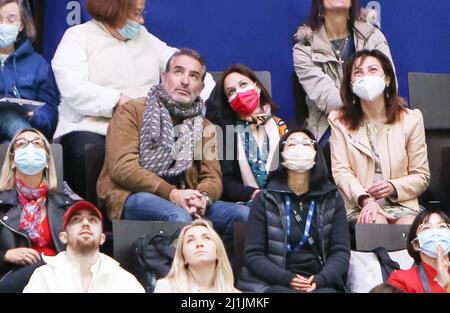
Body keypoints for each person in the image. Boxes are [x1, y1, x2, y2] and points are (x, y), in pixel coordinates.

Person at [51, 0, 214, 198]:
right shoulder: (78, 37)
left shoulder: (143, 37)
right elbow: (72, 86)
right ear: (114, 11)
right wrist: (117, 100)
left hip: (143, 130)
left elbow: (182, 62)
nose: (142, 21)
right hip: (93, 128)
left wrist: (206, 95)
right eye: (136, 14)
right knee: (94, 153)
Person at [97, 49, 249, 255]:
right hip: (132, 195)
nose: (185, 81)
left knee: (244, 215)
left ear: (201, 87)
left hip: (188, 197)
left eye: (193, 76)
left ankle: (224, 280)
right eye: (178, 72)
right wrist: (171, 193)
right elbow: (122, 167)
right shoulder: (132, 111)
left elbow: (213, 177)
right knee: (178, 218)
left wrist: (202, 197)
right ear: (164, 77)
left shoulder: (205, 127)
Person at [238, 129, 350, 293]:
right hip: (276, 282)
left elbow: (340, 252)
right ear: (281, 155)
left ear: (316, 154)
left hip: (319, 281)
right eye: (292, 143)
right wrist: (287, 279)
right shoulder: (265, 199)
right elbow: (254, 255)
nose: (300, 147)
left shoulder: (332, 198)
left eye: (306, 143)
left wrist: (321, 279)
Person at [329, 49, 430, 226]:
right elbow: (341, 172)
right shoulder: (338, 121)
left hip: (403, 204)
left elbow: (421, 176)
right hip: (359, 205)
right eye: (358, 72)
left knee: (409, 226)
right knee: (375, 222)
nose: (365, 76)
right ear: (351, 84)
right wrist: (366, 200)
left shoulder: (411, 119)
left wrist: (393, 186)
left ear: (387, 78)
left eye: (373, 70)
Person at [293, 0, 394, 144]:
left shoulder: (373, 36)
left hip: (378, 118)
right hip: (330, 125)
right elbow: (329, 98)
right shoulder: (304, 49)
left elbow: (388, 82)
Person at [0, 128, 74, 293]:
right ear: (12, 161)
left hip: (59, 280)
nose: (30, 148)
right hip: (13, 278)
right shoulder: (1, 204)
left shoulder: (65, 205)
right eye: (22, 144)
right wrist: (6, 255)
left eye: (37, 144)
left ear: (47, 160)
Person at [205, 64, 288, 203]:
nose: (239, 93)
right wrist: (253, 194)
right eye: (231, 92)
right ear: (228, 103)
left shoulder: (281, 126)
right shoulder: (227, 133)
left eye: (243, 84)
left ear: (257, 87)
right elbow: (227, 182)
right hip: (250, 205)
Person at [23, 200, 145, 292]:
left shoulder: (123, 279)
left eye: (93, 220)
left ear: (102, 238)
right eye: (76, 220)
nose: (85, 223)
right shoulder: (44, 276)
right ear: (63, 237)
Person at [0, 0, 59, 143]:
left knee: (12, 147)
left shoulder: (38, 64)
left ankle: (26, 144)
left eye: (11, 19)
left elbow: (50, 113)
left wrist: (33, 115)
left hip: (22, 128)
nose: (3, 25)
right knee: (9, 117)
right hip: (17, 128)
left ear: (21, 25)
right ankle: (28, 143)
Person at [154, 219, 239, 293]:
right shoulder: (166, 288)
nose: (199, 244)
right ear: (183, 257)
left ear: (218, 252)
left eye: (206, 238)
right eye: (190, 240)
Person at [387, 209, 450, 293]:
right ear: (416, 244)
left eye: (442, 226)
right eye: (426, 228)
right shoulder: (401, 279)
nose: (436, 232)